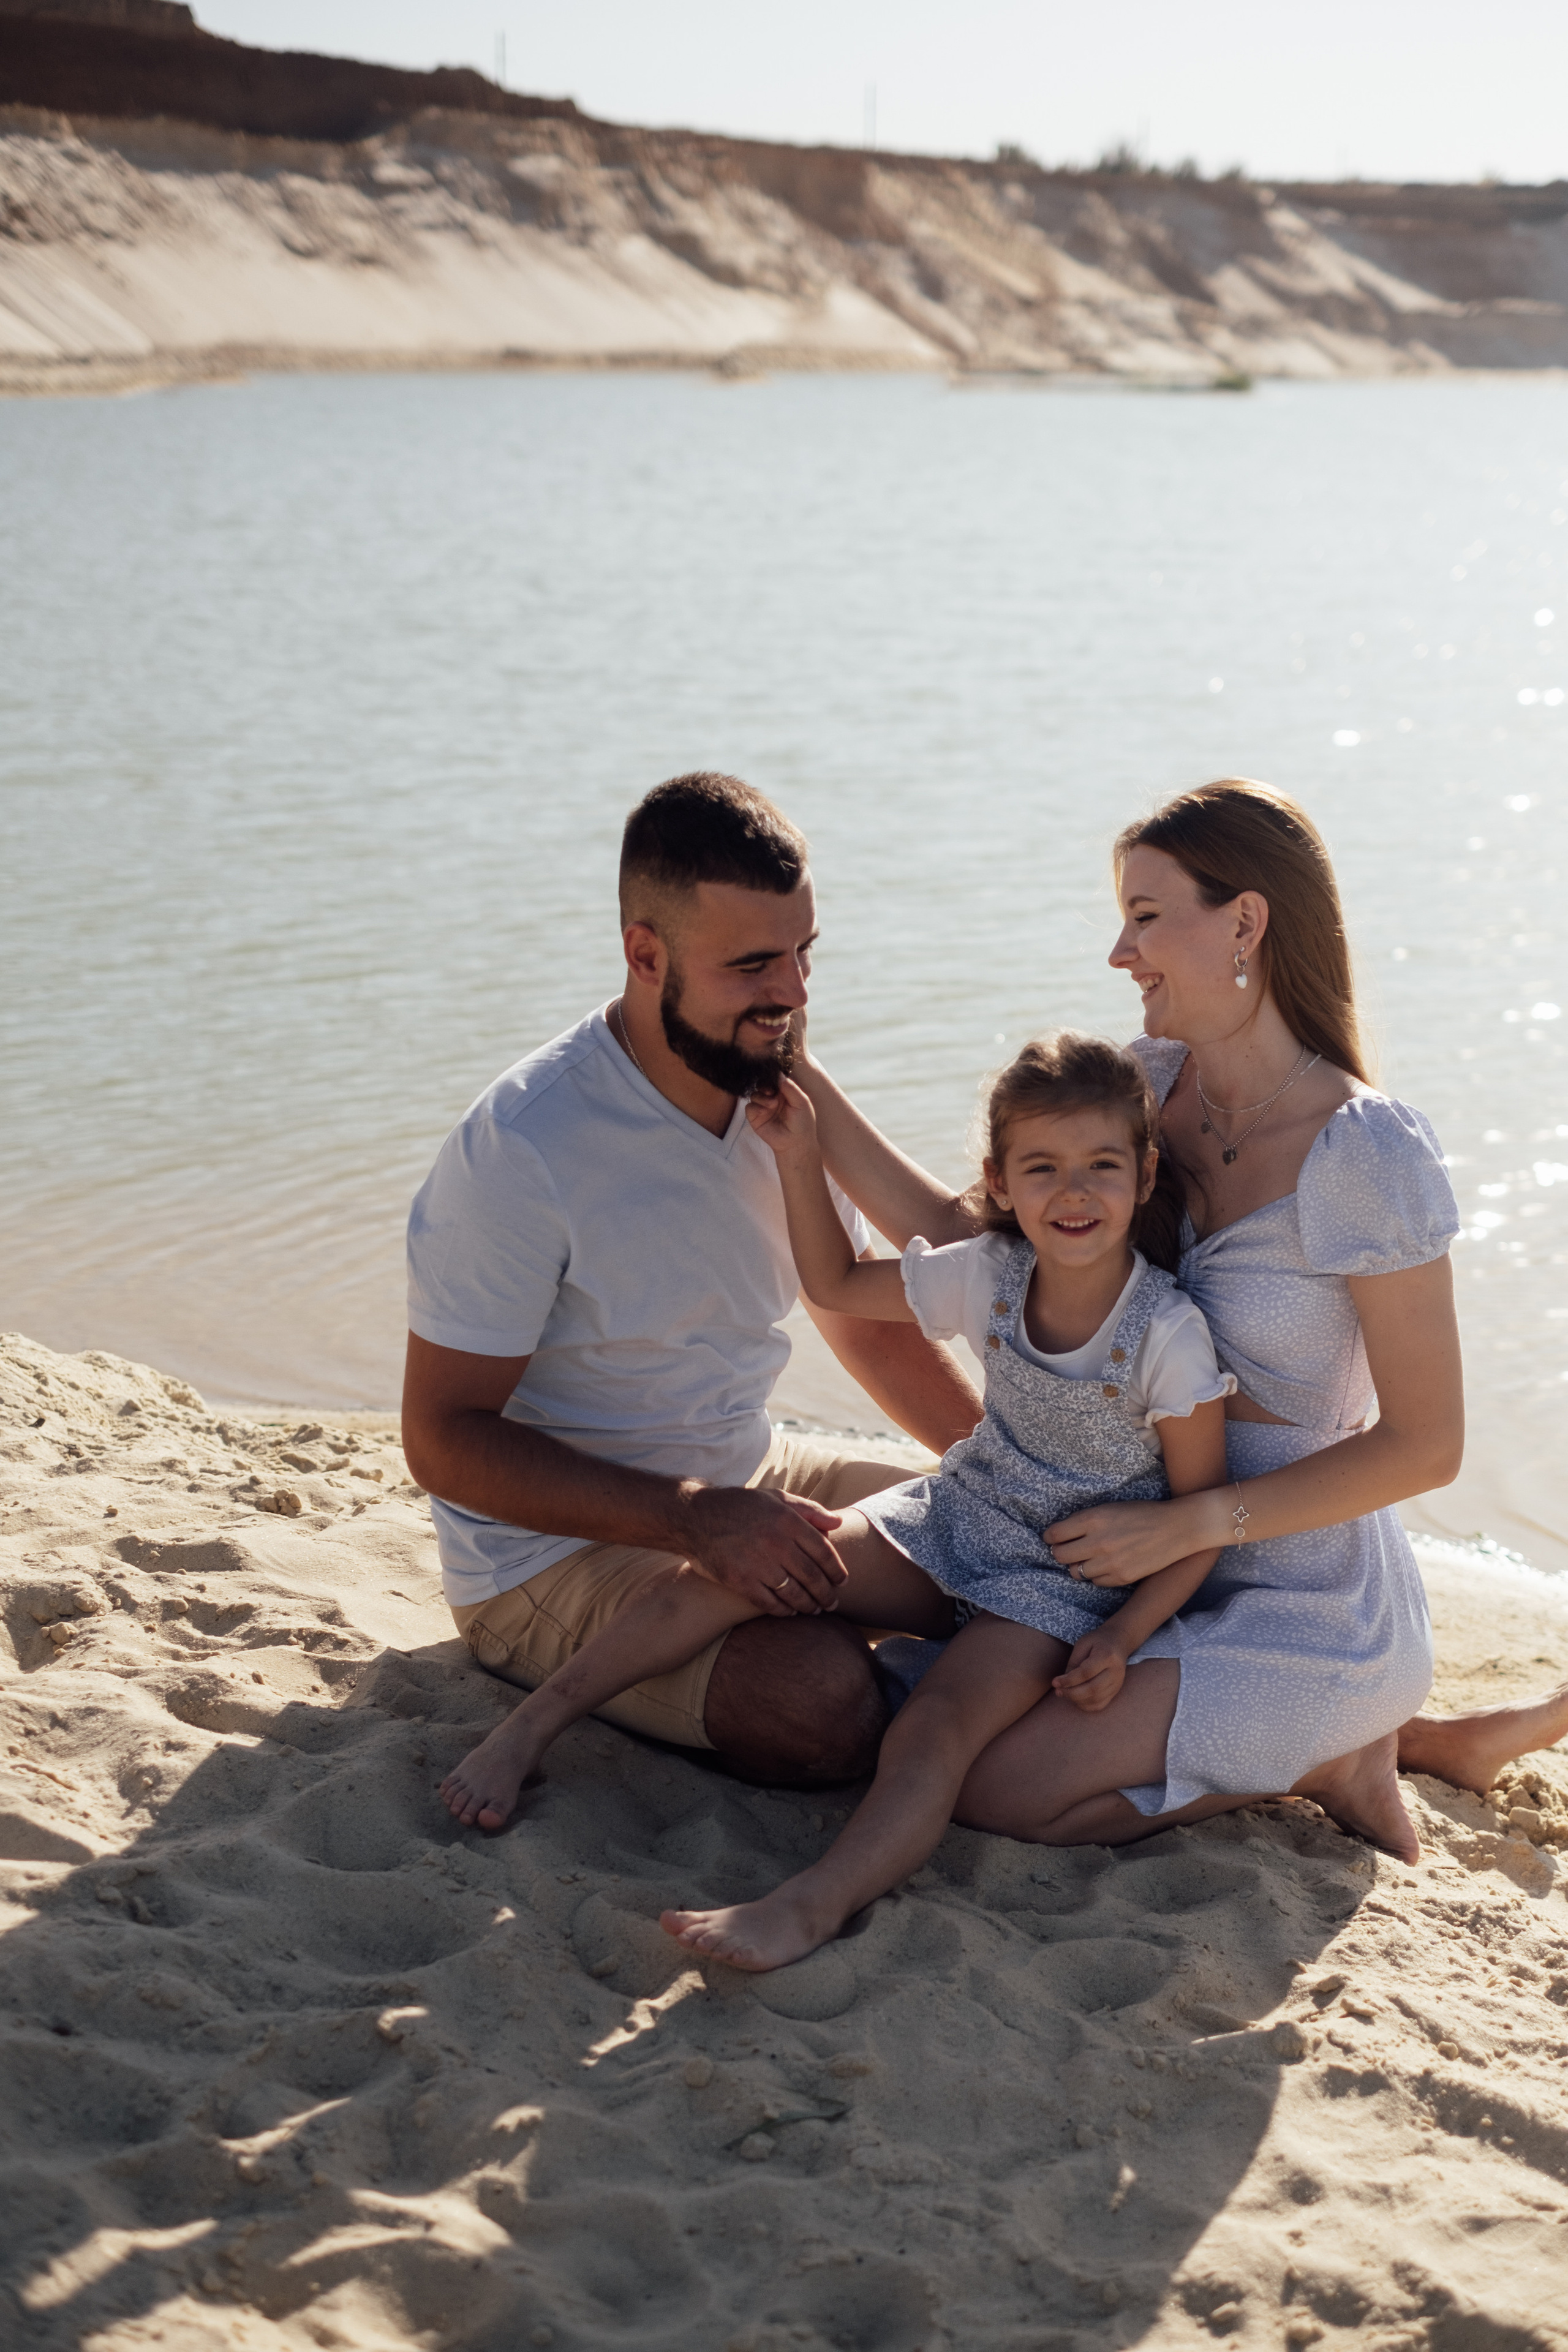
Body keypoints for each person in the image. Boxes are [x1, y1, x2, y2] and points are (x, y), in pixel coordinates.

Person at [787, 777, 1568, 1864]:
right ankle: (1409, 1742)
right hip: (1131, 1555)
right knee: (920, 1723)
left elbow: (1427, 1448)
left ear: (1244, 922)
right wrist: (800, 1074)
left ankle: (1339, 1752)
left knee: (1001, 1791)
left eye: (1146, 917)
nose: (1121, 953)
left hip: (1302, 1596)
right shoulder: (1149, 1088)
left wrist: (1196, 1526)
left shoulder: (1366, 1150)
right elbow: (980, 1247)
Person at [428, 1032, 1234, 1948]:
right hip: (958, 1515)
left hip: (1054, 1584)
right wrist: (799, 1155)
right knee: (750, 1565)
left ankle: (809, 1905)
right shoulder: (991, 1273)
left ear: (1145, 1172)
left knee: (932, 1730)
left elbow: (1198, 1524)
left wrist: (1122, 1634)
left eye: (1102, 1166)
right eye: (1042, 1167)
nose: (1075, 1193)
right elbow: (836, 1283)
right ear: (1000, 1183)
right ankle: (530, 1728)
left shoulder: (1168, 1336)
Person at [403, 772, 983, 1812]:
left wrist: (1006, 1464)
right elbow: (442, 1441)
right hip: (558, 1555)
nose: (793, 993)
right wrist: (692, 1519)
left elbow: (865, 1326)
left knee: (1017, 1551)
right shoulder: (526, 1146)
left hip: (754, 1472)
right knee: (819, 1704)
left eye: (805, 953)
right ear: (645, 955)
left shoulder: (780, 1090)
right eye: (753, 964)